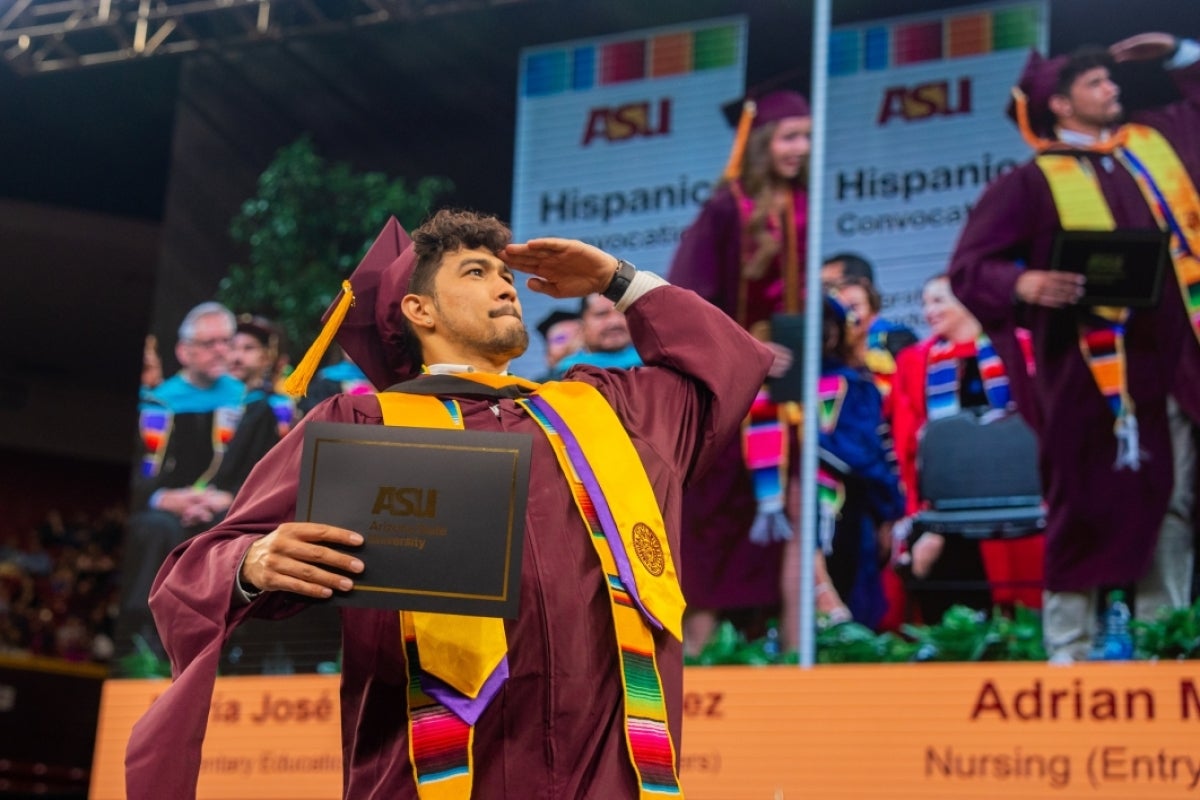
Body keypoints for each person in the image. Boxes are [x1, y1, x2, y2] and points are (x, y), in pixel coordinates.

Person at [124, 209, 773, 798]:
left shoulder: (607, 410)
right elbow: (194, 569)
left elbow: (730, 363)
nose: (505, 284)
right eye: (477, 271)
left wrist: (615, 277)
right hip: (435, 778)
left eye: (505, 273)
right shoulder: (364, 422)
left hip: (607, 777)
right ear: (419, 310)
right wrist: (253, 561)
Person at [948, 32, 1200, 661]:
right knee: (1083, 502)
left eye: (1111, 81)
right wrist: (1023, 280)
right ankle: (1068, 651)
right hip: (1089, 376)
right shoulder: (1029, 183)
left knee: (1172, 501)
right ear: (1060, 105)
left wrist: (1180, 54)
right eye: (1095, 83)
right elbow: (970, 268)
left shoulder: (1152, 148)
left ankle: (1160, 643)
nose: (1112, 88)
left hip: (1170, 363)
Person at [667, 89, 811, 654]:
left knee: (795, 523)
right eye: (789, 136)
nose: (801, 148)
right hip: (732, 400)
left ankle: (793, 656)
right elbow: (687, 302)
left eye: (806, 136)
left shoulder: (807, 206)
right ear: (760, 144)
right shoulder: (727, 209)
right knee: (719, 529)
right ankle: (699, 661)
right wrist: (747, 347)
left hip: (791, 400)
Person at [891, 275, 1043, 623]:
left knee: (1022, 609)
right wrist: (921, 514)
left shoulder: (1019, 347)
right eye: (925, 302)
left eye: (939, 301)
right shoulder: (917, 361)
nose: (929, 311)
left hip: (1017, 500)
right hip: (946, 506)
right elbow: (909, 444)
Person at [813, 295, 905, 629]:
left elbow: (864, 456)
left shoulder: (849, 383)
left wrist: (888, 511)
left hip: (841, 510)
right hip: (822, 513)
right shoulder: (771, 386)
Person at [548, 292, 640, 377]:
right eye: (602, 314)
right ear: (582, 327)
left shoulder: (650, 368)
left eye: (622, 312)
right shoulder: (561, 382)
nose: (615, 322)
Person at [533, 307, 582, 381]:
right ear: (548, 356)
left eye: (577, 335)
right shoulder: (538, 388)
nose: (573, 343)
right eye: (561, 338)